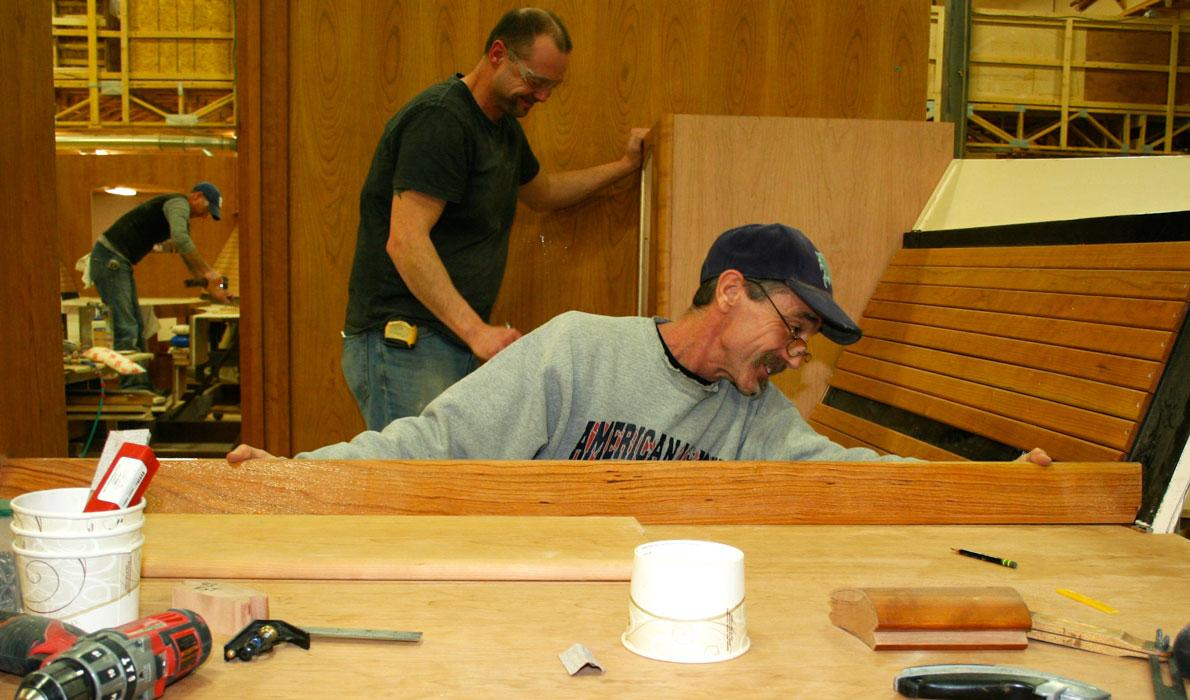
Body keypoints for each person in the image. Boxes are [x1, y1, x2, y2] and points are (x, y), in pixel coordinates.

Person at [229, 223, 1051, 466]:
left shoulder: (754, 417)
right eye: (794, 329)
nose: (797, 355)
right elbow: (438, 443)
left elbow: (855, 482)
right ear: (731, 290)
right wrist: (298, 480)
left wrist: (997, 487)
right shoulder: (577, 352)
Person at [342, 7, 649, 430]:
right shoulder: (443, 120)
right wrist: (476, 332)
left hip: (443, 342)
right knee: (421, 488)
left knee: (446, 485)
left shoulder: (503, 131)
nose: (541, 97)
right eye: (536, 81)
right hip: (406, 343)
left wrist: (625, 167)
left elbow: (544, 192)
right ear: (498, 54)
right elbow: (405, 240)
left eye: (551, 87)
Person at [88, 182, 231, 390]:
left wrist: (210, 285)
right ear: (197, 196)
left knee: (136, 327)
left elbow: (185, 253)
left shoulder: (179, 212)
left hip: (120, 263)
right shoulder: (178, 203)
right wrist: (209, 273)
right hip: (110, 260)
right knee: (126, 327)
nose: (204, 217)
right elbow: (182, 240)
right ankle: (132, 389)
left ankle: (141, 386)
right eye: (207, 210)